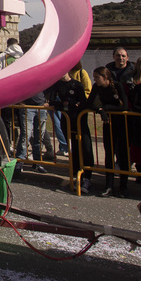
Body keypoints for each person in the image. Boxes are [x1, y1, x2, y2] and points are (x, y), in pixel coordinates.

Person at [51, 63, 93, 194]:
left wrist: (70, 105)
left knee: (84, 146)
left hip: (79, 118)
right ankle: (75, 173)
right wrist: (65, 105)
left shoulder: (77, 84)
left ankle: (87, 175)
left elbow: (82, 103)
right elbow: (52, 101)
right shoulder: (57, 85)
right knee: (73, 146)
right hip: (67, 118)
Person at [89, 66, 130, 197]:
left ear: (105, 77)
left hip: (122, 123)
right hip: (108, 123)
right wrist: (100, 110)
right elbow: (90, 102)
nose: (95, 80)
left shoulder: (117, 86)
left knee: (123, 155)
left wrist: (106, 108)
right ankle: (109, 185)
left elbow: (124, 106)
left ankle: (123, 186)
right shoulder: (97, 87)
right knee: (109, 154)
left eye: (97, 77)